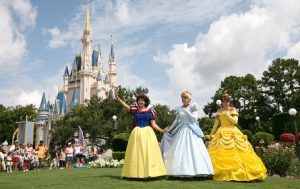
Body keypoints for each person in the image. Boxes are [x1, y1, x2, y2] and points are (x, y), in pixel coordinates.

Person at [205, 92, 267, 181]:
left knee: (240, 152)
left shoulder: (232, 110)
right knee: (220, 153)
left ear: (229, 102)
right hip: (221, 132)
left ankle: (241, 173)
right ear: (222, 102)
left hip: (233, 132)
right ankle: (219, 173)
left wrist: (227, 114)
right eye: (224, 101)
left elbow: (235, 122)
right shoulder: (219, 112)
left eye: (227, 101)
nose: (225, 103)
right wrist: (210, 135)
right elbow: (216, 125)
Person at [115, 88, 166, 179]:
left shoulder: (151, 111)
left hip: (147, 133)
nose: (140, 102)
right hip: (137, 133)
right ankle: (132, 174)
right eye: (139, 100)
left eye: (142, 100)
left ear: (145, 102)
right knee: (135, 153)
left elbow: (153, 124)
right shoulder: (135, 110)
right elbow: (126, 106)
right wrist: (118, 98)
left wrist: (162, 130)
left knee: (148, 153)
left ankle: (149, 173)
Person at [160, 91, 214, 177]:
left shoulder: (193, 107)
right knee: (179, 148)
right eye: (183, 98)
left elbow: (195, 118)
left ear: (189, 99)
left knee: (195, 149)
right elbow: (176, 120)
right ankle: (179, 171)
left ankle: (199, 170)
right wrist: (169, 130)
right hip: (181, 128)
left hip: (191, 129)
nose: (184, 99)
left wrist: (187, 112)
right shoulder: (179, 108)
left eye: (185, 98)